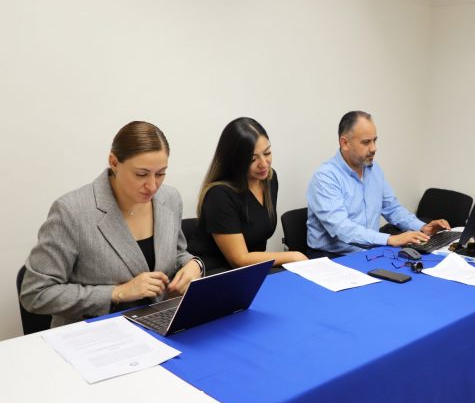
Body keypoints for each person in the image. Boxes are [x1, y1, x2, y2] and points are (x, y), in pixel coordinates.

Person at [21, 121, 203, 328]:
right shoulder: (72, 211)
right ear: (114, 162)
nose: (153, 186)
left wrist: (193, 264)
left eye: (161, 173)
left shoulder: (169, 198)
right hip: (96, 332)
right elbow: (35, 293)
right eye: (141, 174)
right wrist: (117, 293)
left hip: (158, 323)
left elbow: (175, 254)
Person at [306, 110, 450, 256]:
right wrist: (390, 239)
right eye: (366, 142)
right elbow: (341, 228)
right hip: (332, 257)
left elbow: (392, 208)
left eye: (374, 140)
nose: (374, 148)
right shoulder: (325, 177)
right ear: (345, 143)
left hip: (370, 251)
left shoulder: (373, 170)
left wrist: (422, 227)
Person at [190, 117, 307, 274]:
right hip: (217, 273)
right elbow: (239, 259)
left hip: (253, 269)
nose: (263, 164)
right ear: (234, 161)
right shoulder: (219, 195)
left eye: (267, 153)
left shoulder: (269, 179)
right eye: (252, 159)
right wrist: (292, 256)